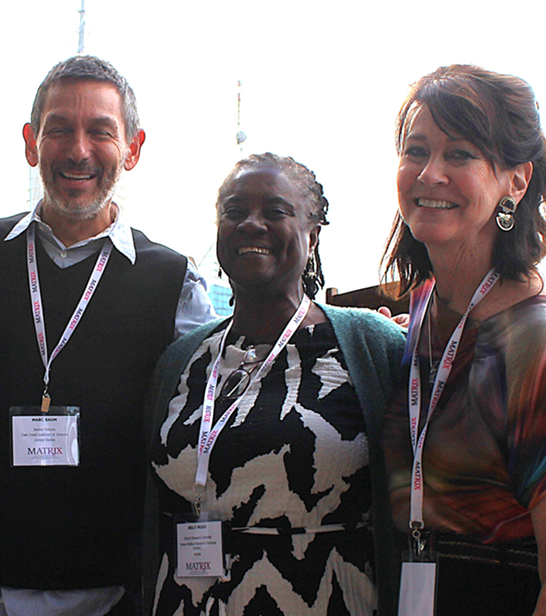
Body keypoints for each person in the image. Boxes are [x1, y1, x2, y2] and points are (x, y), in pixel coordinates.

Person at [0, 55, 214, 616]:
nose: (78, 149)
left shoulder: (174, 282)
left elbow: (204, 422)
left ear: (132, 148)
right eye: (59, 128)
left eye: (100, 131)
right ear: (30, 142)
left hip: (114, 591)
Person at [381, 65, 546, 615]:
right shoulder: (423, 311)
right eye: (417, 150)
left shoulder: (542, 338)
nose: (430, 173)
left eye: (460, 154)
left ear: (517, 180)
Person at [145, 153, 407, 616]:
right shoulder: (182, 360)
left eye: (275, 212)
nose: (251, 223)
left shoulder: (370, 347)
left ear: (313, 233)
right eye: (234, 211)